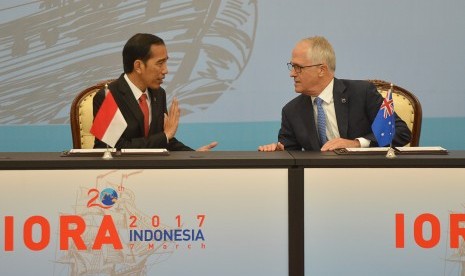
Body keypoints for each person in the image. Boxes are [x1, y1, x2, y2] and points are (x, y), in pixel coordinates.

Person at [258, 36, 411, 152]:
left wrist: (356, 143)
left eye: (298, 67)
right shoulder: (292, 111)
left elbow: (400, 132)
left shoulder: (362, 93)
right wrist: (280, 152)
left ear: (321, 70)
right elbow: (291, 151)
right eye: (292, 66)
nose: (292, 74)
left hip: (366, 176)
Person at [93, 33, 217, 151]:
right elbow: (110, 148)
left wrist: (193, 155)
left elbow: (166, 142)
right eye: (160, 63)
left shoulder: (159, 94)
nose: (165, 70)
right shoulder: (108, 96)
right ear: (138, 66)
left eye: (166, 62)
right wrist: (164, 136)